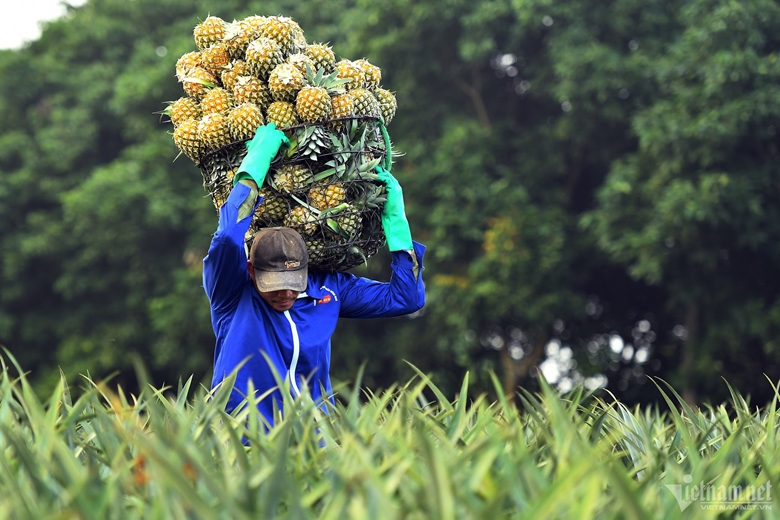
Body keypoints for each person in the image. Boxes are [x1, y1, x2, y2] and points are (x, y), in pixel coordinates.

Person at [202, 124, 426, 425]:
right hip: (240, 441)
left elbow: (406, 298)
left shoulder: (328, 290)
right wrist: (255, 163)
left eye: (294, 283)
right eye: (274, 284)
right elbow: (228, 237)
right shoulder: (232, 293)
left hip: (312, 443)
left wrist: (397, 225)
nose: (286, 294)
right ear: (252, 272)